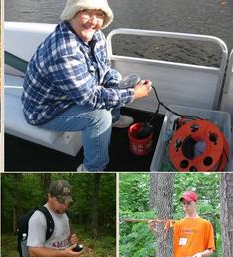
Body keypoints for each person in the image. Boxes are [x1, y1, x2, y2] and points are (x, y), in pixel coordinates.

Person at [22, 0, 152, 171]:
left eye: (99, 15)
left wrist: (122, 87)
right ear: (71, 14)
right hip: (45, 110)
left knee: (116, 79)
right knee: (99, 118)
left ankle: (114, 119)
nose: (93, 21)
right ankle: (92, 168)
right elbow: (91, 99)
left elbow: (104, 72)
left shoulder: (95, 35)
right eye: (86, 12)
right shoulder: (65, 51)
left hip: (68, 95)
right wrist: (133, 94)